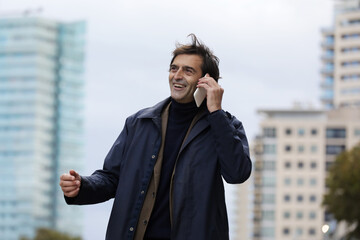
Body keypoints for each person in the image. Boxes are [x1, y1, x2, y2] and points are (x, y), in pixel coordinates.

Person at [59, 34, 252, 240]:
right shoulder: (139, 123)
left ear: (206, 81)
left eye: (188, 71)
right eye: (173, 68)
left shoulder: (226, 126)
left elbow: (237, 173)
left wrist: (216, 112)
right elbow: (111, 177)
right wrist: (83, 186)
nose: (177, 75)